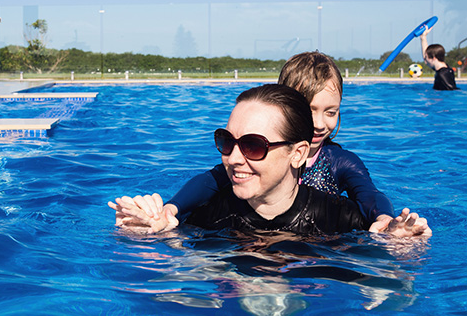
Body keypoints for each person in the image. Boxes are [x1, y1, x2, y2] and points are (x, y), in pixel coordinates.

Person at [109, 83, 431, 237]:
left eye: (253, 146)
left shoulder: (344, 221)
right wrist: (149, 232)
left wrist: (400, 247)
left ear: (298, 153)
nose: (233, 158)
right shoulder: (208, 215)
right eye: (226, 141)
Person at [162, 52, 403, 232]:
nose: (319, 124)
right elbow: (209, 181)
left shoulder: (338, 161)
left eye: (331, 112)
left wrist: (384, 218)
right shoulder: (250, 156)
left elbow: (369, 193)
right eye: (309, 111)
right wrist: (172, 209)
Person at [420, 26, 458, 90]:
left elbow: (451, 89)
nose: (425, 60)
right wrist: (423, 38)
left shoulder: (442, 74)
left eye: (426, 58)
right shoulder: (445, 69)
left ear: (434, 58)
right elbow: (426, 56)